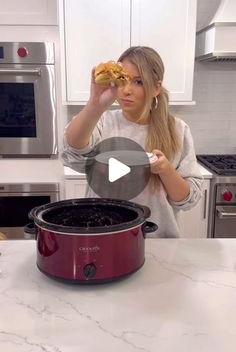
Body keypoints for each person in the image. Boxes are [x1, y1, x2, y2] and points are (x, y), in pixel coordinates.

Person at [62, 46, 203, 238]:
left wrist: (165, 170)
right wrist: (95, 104)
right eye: (123, 80)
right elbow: (73, 151)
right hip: (103, 235)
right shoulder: (103, 122)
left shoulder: (177, 130)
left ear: (156, 87)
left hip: (157, 239)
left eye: (138, 82)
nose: (126, 90)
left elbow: (187, 200)